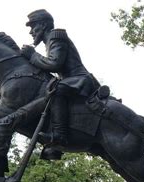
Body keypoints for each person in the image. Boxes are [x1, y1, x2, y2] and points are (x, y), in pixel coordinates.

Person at [21, 9, 99, 146]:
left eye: (34, 27)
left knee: (56, 90)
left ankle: (59, 135)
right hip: (72, 80)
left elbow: (55, 63)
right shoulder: (49, 40)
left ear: (44, 25)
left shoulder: (56, 36)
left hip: (79, 80)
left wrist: (32, 55)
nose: (31, 32)